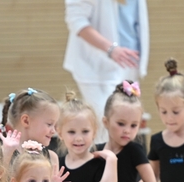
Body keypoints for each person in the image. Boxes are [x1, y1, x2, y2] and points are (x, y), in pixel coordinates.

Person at [63, 0, 149, 142]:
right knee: (106, 128)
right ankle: (104, 163)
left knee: (128, 125)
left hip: (130, 64)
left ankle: (124, 164)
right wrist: (111, 49)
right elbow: (76, 20)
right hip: (96, 68)